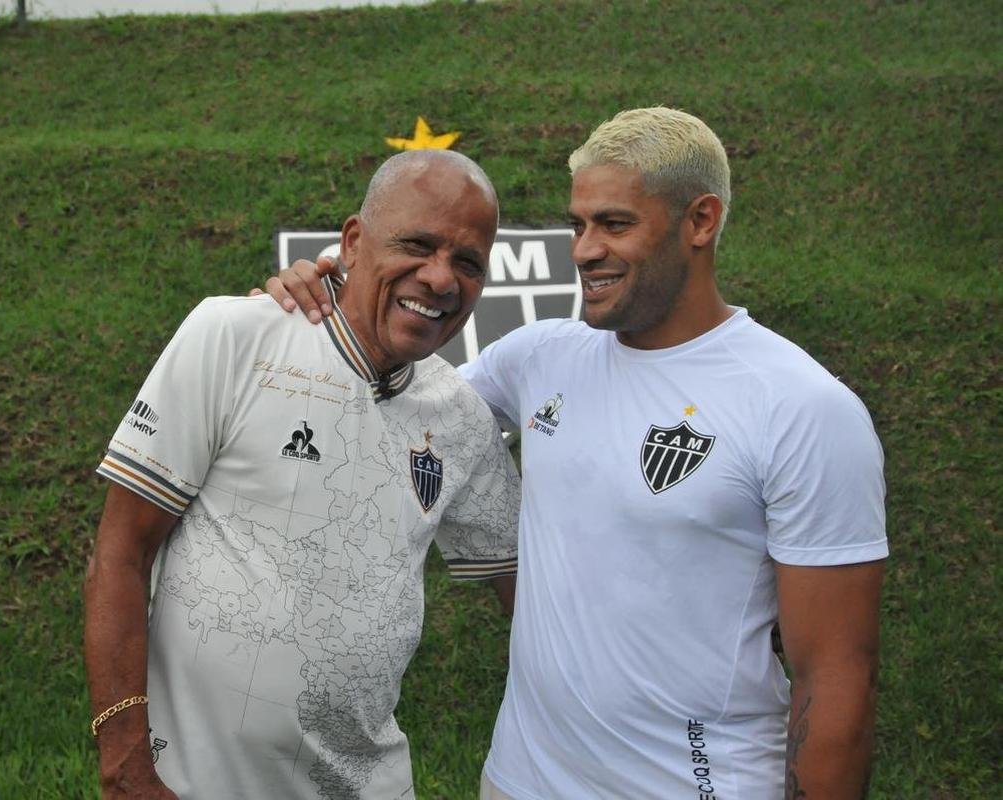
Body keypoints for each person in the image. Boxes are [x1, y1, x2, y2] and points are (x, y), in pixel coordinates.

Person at [264, 107, 888, 799]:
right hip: (519, 782)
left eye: (614, 224)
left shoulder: (803, 408)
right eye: (578, 224)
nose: (584, 249)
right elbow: (381, 403)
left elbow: (835, 677)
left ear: (700, 222)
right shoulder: (540, 357)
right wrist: (323, 300)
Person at [84, 149, 521, 800]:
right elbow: (119, 551)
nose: (440, 278)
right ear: (351, 242)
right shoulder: (235, 336)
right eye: (417, 245)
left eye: (468, 263)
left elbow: (529, 592)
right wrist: (124, 765)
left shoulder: (460, 417)